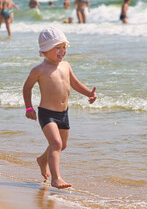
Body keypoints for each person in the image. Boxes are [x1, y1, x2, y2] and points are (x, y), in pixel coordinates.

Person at [23, 27, 97, 189]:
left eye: (64, 47)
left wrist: (88, 94)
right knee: (55, 143)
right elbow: (27, 87)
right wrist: (29, 108)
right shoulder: (39, 70)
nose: (62, 51)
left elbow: (75, 84)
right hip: (46, 114)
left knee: (62, 145)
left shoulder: (66, 66)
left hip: (63, 113)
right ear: (44, 51)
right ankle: (56, 178)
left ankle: (42, 159)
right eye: (57, 47)